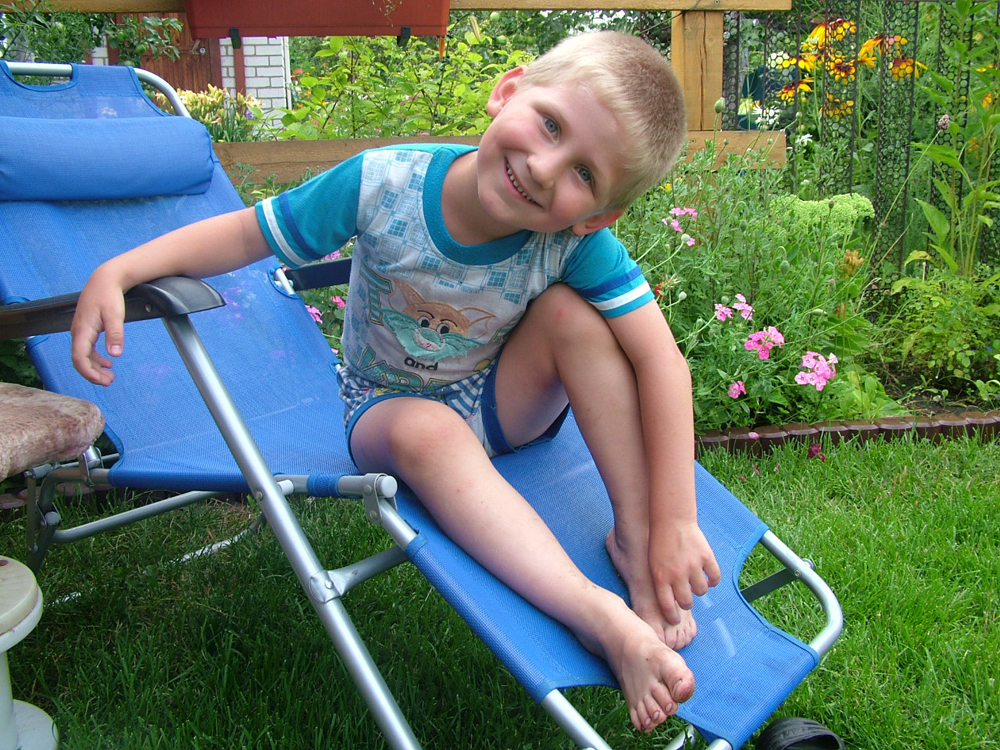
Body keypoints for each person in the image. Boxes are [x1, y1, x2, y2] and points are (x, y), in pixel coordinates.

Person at [71, 30, 722, 733]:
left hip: (496, 400)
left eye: (584, 174)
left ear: (598, 215)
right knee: (426, 428)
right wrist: (122, 269)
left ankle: (636, 542)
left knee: (574, 317)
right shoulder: (384, 183)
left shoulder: (573, 241)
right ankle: (598, 617)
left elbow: (662, 361)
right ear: (508, 90)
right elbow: (245, 234)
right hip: (386, 405)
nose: (543, 168)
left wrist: (674, 522)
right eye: (550, 125)